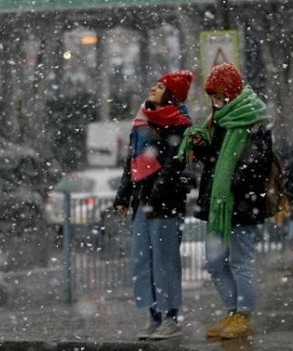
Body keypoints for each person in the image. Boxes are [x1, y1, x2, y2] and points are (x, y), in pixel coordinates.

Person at [177, 63, 273, 339]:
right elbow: (214, 161)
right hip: (218, 203)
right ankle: (232, 311)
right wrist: (202, 147)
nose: (216, 102)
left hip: (241, 203)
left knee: (241, 260)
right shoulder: (219, 120)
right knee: (215, 261)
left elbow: (258, 163)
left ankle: (243, 314)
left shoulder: (253, 118)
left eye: (219, 95)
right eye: (213, 97)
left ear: (231, 91)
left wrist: (234, 181)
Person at [113, 70, 193, 340]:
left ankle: (171, 317)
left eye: (160, 86)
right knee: (141, 260)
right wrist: (124, 196)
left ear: (171, 94)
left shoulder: (178, 123)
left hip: (165, 203)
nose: (153, 88)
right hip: (142, 203)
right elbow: (131, 161)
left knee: (165, 261)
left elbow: (174, 165)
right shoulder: (142, 120)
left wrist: (158, 193)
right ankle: (153, 315)